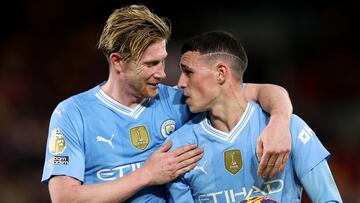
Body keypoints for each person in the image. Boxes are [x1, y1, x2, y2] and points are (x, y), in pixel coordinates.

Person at [41, 5, 293, 203]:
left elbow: (262, 91)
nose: (162, 73)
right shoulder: (73, 114)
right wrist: (147, 174)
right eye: (151, 64)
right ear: (118, 62)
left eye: (162, 60)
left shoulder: (177, 101)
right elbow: (65, 198)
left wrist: (280, 121)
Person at [166, 31, 343, 202]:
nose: (180, 83)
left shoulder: (289, 129)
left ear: (220, 73)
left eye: (188, 72)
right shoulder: (180, 149)